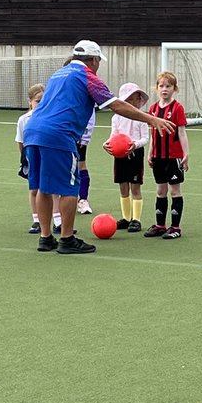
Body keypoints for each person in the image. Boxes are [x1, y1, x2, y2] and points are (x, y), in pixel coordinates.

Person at [23, 39, 176, 255]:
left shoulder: (58, 74)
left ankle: (46, 238)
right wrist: (151, 119)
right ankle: (67, 239)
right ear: (94, 60)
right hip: (58, 134)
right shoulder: (87, 76)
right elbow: (116, 105)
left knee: (43, 187)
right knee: (69, 188)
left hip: (33, 131)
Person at [144, 70, 190, 240]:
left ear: (174, 88)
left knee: (175, 190)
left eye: (168, 86)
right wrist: (150, 153)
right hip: (158, 157)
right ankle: (160, 225)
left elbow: (182, 133)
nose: (165, 89)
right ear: (156, 88)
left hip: (173, 157)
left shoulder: (177, 108)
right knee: (160, 190)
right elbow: (152, 133)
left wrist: (186, 154)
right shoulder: (153, 109)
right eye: (161, 86)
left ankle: (176, 227)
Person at [102, 82, 149, 233]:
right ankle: (126, 218)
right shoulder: (116, 118)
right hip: (120, 155)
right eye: (129, 100)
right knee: (123, 186)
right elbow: (113, 136)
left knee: (135, 187)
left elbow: (145, 139)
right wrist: (107, 144)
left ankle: (136, 220)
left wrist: (134, 145)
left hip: (135, 154)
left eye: (136, 99)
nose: (134, 102)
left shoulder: (142, 118)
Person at [16, 83, 45, 234]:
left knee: (52, 189)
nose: (41, 104)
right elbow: (21, 142)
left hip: (48, 156)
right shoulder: (24, 120)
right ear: (30, 101)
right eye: (38, 101)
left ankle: (58, 220)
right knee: (34, 188)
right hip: (32, 158)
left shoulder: (50, 117)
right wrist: (25, 159)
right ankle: (36, 220)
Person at [75, 112, 96, 215]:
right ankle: (60, 200)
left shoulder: (86, 96)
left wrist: (85, 138)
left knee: (81, 165)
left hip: (78, 136)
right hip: (61, 134)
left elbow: (90, 116)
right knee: (62, 166)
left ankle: (83, 200)